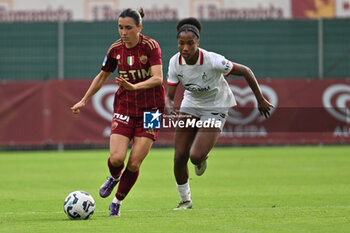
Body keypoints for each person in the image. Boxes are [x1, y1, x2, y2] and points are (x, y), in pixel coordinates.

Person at [166, 18, 274, 210]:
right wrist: (169, 104)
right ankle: (185, 200)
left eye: (190, 43)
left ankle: (202, 158)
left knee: (195, 157)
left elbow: (246, 71)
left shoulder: (213, 60)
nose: (185, 48)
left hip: (216, 106)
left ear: (197, 42)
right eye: (181, 43)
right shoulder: (175, 62)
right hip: (191, 104)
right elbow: (170, 94)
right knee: (179, 156)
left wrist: (260, 99)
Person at [71, 8, 165, 217]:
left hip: (151, 110)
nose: (123, 32)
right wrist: (84, 100)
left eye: (128, 28)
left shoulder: (151, 46)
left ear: (139, 28)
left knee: (134, 162)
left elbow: (158, 78)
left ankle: (117, 201)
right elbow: (102, 76)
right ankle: (114, 178)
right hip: (125, 107)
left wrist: (134, 86)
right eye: (120, 27)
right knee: (116, 159)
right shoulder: (115, 49)